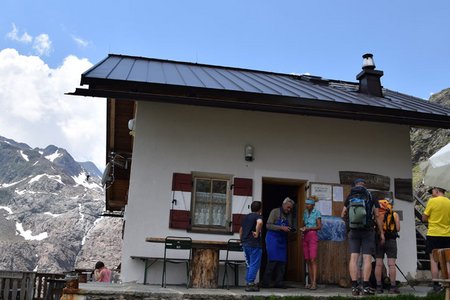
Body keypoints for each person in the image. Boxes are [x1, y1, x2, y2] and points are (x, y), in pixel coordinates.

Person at [341, 178, 385, 296]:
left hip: (353, 231)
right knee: (367, 258)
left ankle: (355, 286)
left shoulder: (350, 196)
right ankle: (365, 287)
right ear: (364, 185)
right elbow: (377, 215)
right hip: (368, 231)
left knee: (353, 258)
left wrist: (349, 226)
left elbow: (343, 214)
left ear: (355, 185)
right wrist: (381, 232)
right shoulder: (371, 196)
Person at [261, 197, 296, 288]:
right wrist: (281, 228)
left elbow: (289, 225)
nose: (289, 210)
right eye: (288, 207)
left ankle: (279, 282)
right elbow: (268, 225)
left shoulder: (289, 214)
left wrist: (291, 229)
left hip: (282, 239)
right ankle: (265, 283)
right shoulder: (275, 212)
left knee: (282, 262)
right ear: (283, 204)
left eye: (290, 208)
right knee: (272, 260)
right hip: (272, 238)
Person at [422, 186, 450, 293]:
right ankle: (447, 283)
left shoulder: (432, 201)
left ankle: (436, 285)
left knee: (434, 260)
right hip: (447, 235)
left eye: (432, 191)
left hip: (433, 234)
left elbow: (424, 218)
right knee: (448, 260)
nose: (431, 193)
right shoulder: (449, 202)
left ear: (437, 191)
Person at [374, 198, 401, 294]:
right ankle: (393, 287)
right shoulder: (394, 214)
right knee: (391, 265)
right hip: (391, 240)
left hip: (379, 240)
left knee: (378, 264)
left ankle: (378, 287)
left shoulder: (377, 214)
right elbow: (398, 229)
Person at [239, 201, 263, 292]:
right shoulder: (258, 216)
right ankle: (250, 284)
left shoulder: (246, 217)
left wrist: (241, 240)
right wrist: (257, 233)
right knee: (254, 264)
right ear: (260, 209)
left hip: (245, 244)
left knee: (249, 264)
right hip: (254, 244)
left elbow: (241, 230)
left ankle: (248, 282)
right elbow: (260, 223)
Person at [300, 195, 322, 290]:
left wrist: (308, 228)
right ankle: (310, 282)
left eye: (308, 204)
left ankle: (314, 283)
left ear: (313, 205)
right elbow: (303, 224)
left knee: (313, 259)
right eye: (306, 204)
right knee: (308, 260)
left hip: (312, 235)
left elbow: (319, 226)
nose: (306, 206)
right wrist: (303, 230)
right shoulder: (305, 213)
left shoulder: (317, 213)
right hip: (305, 236)